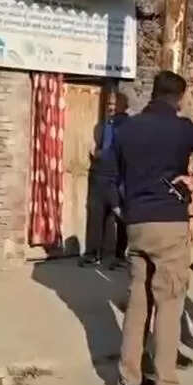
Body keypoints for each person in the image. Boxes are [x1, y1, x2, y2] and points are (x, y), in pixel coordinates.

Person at [107, 70, 193, 385]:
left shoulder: (126, 128)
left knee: (138, 305)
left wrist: (121, 209)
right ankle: (165, 380)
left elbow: (107, 176)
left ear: (153, 92)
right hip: (170, 224)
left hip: (137, 224)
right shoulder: (182, 128)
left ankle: (128, 379)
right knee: (169, 304)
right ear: (179, 98)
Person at [80, 90, 130, 269]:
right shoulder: (101, 127)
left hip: (117, 178)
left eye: (114, 104)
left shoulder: (129, 127)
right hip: (98, 177)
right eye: (109, 104)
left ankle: (120, 256)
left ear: (124, 106)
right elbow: (94, 147)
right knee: (96, 215)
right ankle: (93, 254)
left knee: (121, 218)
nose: (111, 107)